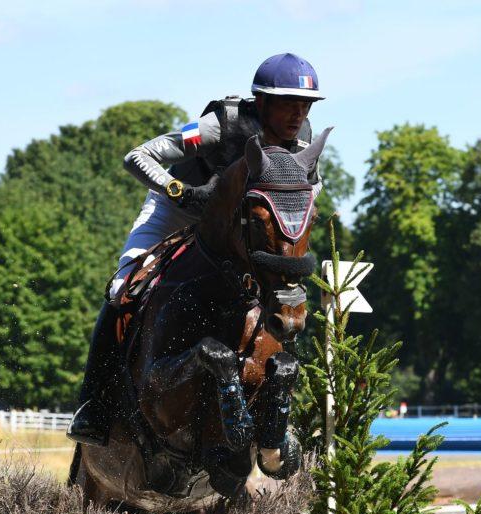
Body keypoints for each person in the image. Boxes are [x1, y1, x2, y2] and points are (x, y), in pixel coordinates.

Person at [68, 53, 325, 446]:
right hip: (177, 210)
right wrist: (181, 192)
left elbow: (312, 187)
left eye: (304, 104)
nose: (298, 114)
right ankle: (95, 405)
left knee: (281, 297)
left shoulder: (304, 139)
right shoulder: (221, 125)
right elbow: (137, 156)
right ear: (263, 101)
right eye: (289, 103)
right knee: (123, 289)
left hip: (239, 229)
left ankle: (277, 416)